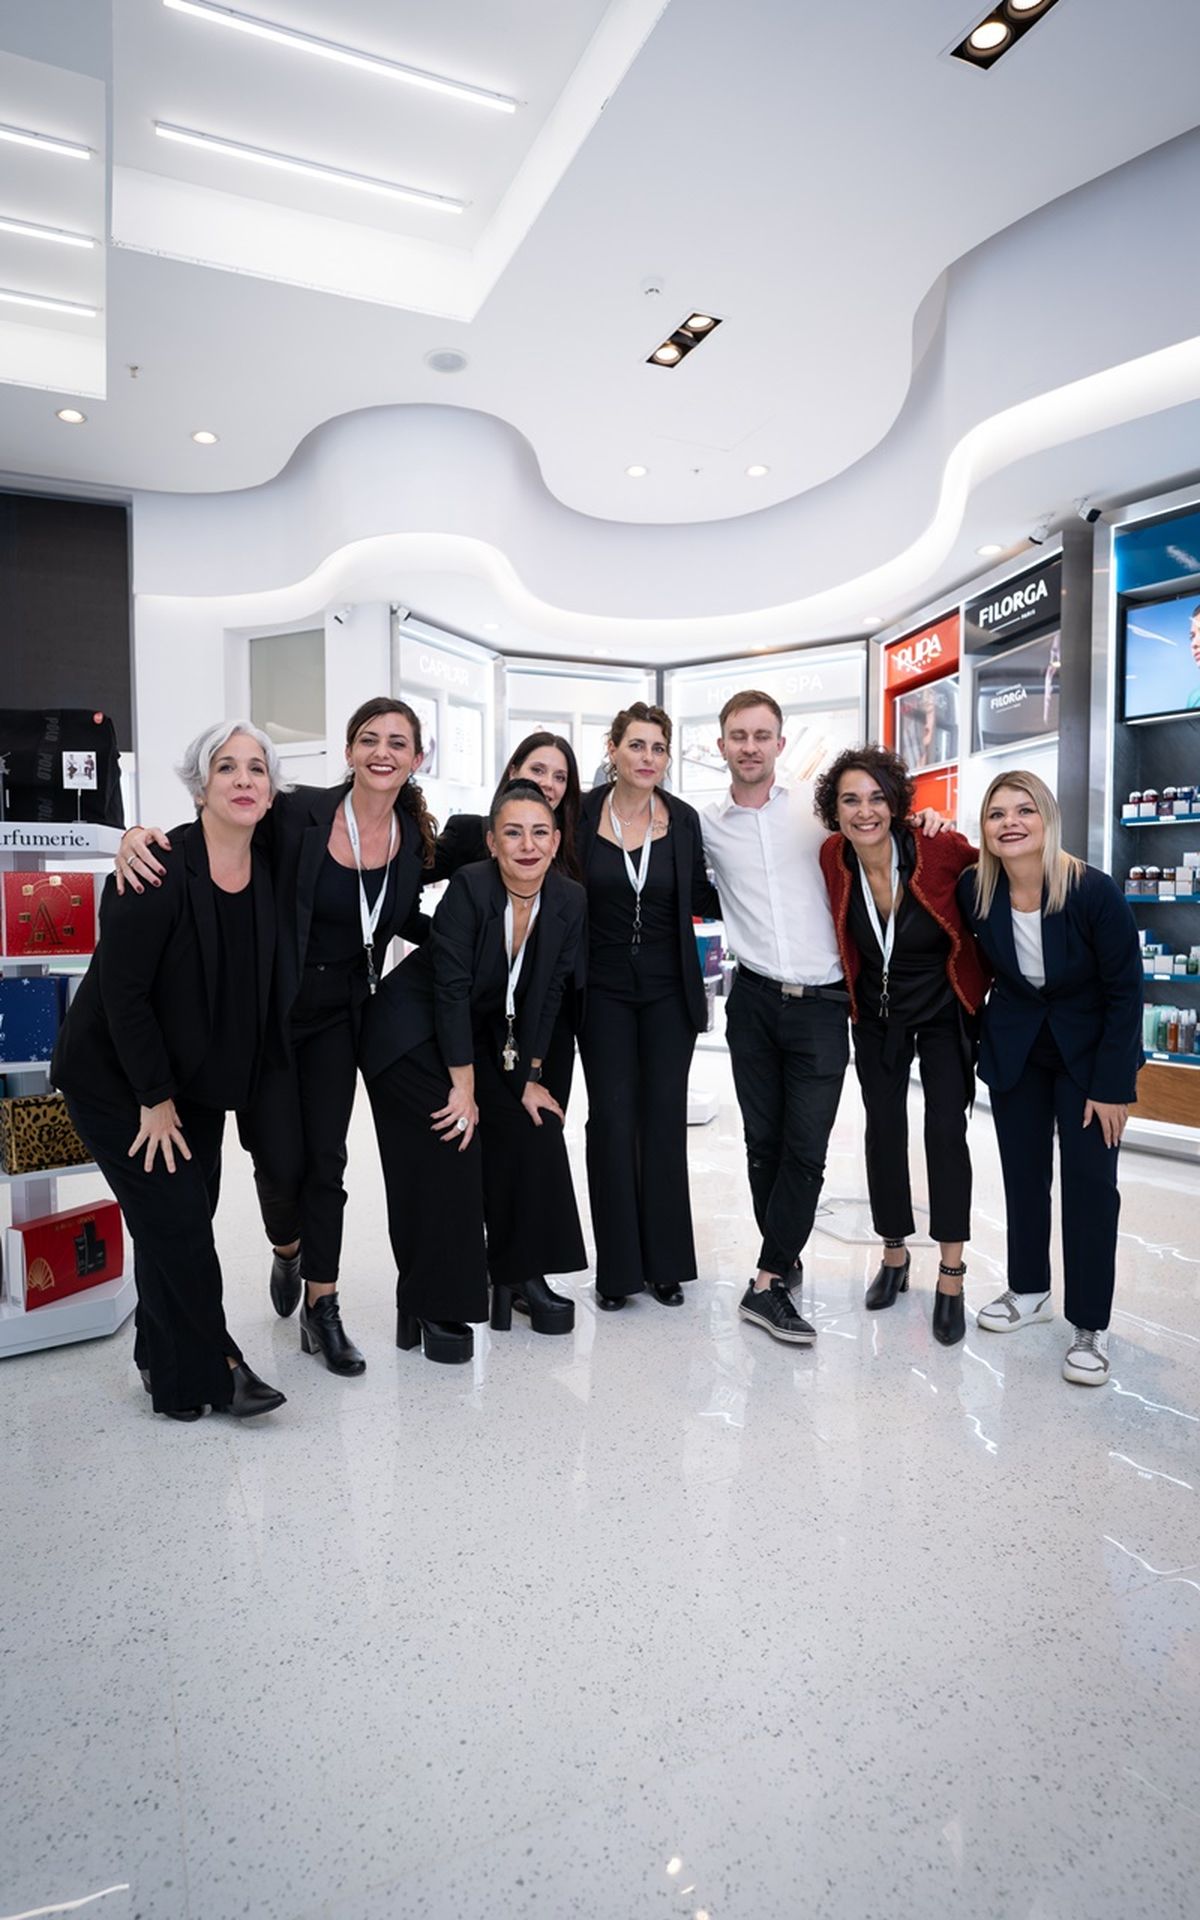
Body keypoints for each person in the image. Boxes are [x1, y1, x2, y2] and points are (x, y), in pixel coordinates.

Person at [113, 697, 436, 1376]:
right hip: (268, 1012)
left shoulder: (413, 840)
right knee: (278, 1162)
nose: (382, 752)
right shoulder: (298, 812)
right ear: (348, 752)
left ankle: (324, 1305)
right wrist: (138, 834)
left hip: (340, 1018)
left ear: (417, 757)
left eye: (397, 742)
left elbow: (412, 909)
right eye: (369, 739)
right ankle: (286, 1247)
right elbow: (220, 825)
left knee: (327, 1160)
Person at [52, 723, 286, 1422]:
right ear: (199, 786)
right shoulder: (154, 867)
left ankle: (161, 1362)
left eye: (256, 769)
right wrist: (153, 1098)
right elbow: (123, 996)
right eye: (226, 767)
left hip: (196, 1081)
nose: (243, 779)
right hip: (117, 1079)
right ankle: (218, 1367)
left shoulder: (269, 865)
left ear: (271, 792)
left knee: (177, 1217)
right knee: (180, 1223)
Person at [700, 691, 945, 1346]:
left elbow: (881, 832)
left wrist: (925, 821)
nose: (750, 746)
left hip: (824, 1004)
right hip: (752, 1000)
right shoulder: (706, 825)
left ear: (780, 744)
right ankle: (781, 1260)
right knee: (763, 1145)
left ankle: (766, 1279)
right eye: (738, 735)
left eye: (762, 735)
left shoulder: (818, 814)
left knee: (806, 1149)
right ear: (721, 745)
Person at [360, 782, 588, 1360]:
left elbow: (548, 992)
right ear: (491, 842)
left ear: (556, 840)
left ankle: (520, 1274)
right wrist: (465, 1088)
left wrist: (528, 1077)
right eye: (513, 833)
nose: (527, 845)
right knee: (453, 1140)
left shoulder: (568, 900)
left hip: (467, 1035)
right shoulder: (471, 887)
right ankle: (429, 1300)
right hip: (409, 1035)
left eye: (539, 832)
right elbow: (451, 989)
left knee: (532, 1126)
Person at [957, 769, 1143, 1386]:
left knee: (1090, 1185)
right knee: (1023, 1175)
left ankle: (1090, 1324)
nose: (1010, 823)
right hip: (1018, 1051)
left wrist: (1113, 1086)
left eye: (1024, 810)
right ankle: (1030, 1289)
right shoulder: (976, 889)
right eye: (996, 813)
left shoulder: (1093, 892)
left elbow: (1125, 993)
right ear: (984, 828)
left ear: (1048, 819)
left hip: (1089, 1056)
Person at [816, 745, 989, 1346]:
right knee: (883, 1128)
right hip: (876, 1012)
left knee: (945, 1131)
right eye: (850, 800)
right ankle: (894, 1255)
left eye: (876, 798)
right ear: (835, 811)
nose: (864, 811)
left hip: (941, 1007)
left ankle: (951, 1275)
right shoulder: (832, 856)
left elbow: (990, 870)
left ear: (896, 804)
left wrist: (942, 820)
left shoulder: (935, 846)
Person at [576, 702, 720, 1310]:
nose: (648, 757)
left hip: (668, 992)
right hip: (601, 990)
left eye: (658, 748)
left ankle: (665, 1265)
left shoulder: (682, 819)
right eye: (636, 745)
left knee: (662, 1121)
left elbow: (706, 896)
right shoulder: (581, 814)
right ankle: (617, 1272)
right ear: (612, 750)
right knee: (612, 1121)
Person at [425, 730, 583, 1109]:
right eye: (538, 770)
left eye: (560, 776)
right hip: (474, 1013)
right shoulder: (471, 833)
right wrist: (441, 940)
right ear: (513, 771)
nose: (548, 783)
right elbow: (406, 884)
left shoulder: (571, 853)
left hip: (540, 1014)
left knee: (541, 1121)